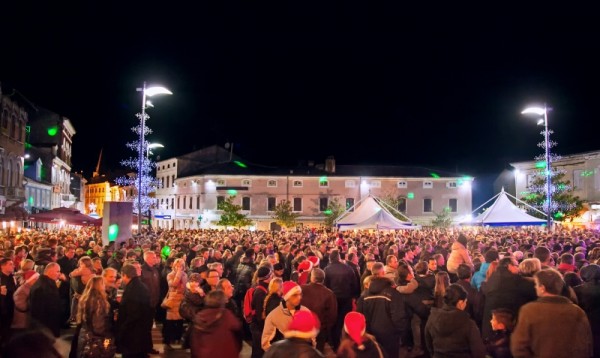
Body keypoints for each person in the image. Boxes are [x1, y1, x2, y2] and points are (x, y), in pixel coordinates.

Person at [511, 269, 593, 358]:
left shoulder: (528, 310)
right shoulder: (577, 311)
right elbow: (586, 344)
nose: (535, 287)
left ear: (542, 288)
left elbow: (519, 346)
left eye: (536, 284)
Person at [424, 284, 485, 358]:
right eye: (465, 301)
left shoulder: (432, 318)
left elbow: (429, 344)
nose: (466, 304)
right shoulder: (468, 323)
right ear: (460, 303)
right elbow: (478, 352)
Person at [357, 275, 409, 358]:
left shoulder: (364, 295)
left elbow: (360, 315)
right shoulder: (393, 294)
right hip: (390, 335)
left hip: (370, 334)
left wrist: (366, 332)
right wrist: (401, 332)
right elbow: (398, 317)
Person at [116, 263, 153, 358]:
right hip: (140, 330)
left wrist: (123, 327)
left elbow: (133, 313)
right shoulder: (139, 285)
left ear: (124, 274)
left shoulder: (132, 288)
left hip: (133, 333)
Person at [189, 290, 241, 358]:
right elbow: (238, 332)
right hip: (227, 354)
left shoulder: (200, 316)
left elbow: (194, 343)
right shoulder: (226, 315)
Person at [262, 281, 311, 351]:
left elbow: (312, 338)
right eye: (295, 295)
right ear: (287, 297)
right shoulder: (273, 316)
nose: (299, 297)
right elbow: (266, 343)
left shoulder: (306, 311)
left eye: (300, 294)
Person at [324, 249, 358, 350]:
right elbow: (354, 284)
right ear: (339, 257)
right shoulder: (347, 268)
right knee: (344, 320)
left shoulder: (327, 269)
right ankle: (346, 344)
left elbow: (326, 286)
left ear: (330, 259)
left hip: (334, 299)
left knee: (334, 321)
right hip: (346, 298)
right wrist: (354, 296)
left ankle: (335, 344)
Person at [76, 276, 115, 357]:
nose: (105, 286)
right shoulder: (99, 302)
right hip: (97, 339)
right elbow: (98, 325)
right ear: (99, 286)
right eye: (103, 284)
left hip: (84, 334)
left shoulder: (84, 299)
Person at [300, 268, 337, 353]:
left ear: (312, 278)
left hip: (302, 327)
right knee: (318, 352)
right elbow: (332, 315)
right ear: (323, 279)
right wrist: (326, 328)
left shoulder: (301, 289)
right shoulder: (329, 293)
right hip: (319, 329)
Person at [29, 262, 62, 337]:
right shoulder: (41, 287)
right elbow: (38, 311)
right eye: (57, 271)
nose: (59, 274)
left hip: (49, 325)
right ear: (50, 271)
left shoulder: (48, 283)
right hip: (45, 327)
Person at [163, 257, 187, 349]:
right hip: (173, 300)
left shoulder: (185, 275)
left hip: (181, 300)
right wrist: (178, 273)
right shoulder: (170, 274)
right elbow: (173, 284)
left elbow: (185, 287)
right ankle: (168, 340)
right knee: (170, 321)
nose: (179, 267)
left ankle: (177, 337)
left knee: (180, 321)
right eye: (177, 266)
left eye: (181, 266)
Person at [0, 258, 17, 343]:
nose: (13, 266)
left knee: (8, 327)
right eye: (10, 264)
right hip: (2, 307)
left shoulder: (12, 276)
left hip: (11, 306)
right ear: (2, 266)